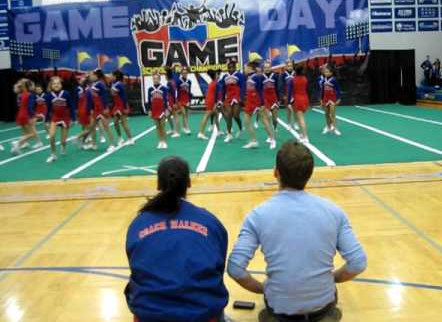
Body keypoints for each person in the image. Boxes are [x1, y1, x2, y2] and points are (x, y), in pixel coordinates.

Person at [227, 141, 367, 322]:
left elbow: (235, 269)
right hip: (322, 308)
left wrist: (264, 289)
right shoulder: (334, 211)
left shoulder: (257, 215)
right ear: (309, 174)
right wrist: (332, 278)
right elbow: (358, 263)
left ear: (276, 172)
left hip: (280, 310)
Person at [125, 156, 229, 322]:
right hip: (201, 314)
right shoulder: (209, 221)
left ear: (158, 185)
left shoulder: (137, 225)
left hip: (150, 315)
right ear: (188, 183)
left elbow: (135, 267)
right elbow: (219, 267)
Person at [45, 76, 75, 163]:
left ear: (61, 84)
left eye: (58, 83)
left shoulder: (66, 93)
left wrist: (73, 119)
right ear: (51, 85)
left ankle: (63, 146)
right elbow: (48, 109)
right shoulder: (49, 95)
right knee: (51, 136)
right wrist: (47, 120)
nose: (56, 85)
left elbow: (71, 106)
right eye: (54, 84)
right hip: (55, 117)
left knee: (63, 140)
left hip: (65, 118)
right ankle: (53, 154)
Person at [217, 59, 245, 143]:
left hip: (237, 97)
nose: (231, 69)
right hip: (228, 98)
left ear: (235, 67)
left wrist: (242, 97)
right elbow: (222, 89)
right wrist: (220, 99)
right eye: (229, 67)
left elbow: (243, 86)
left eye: (232, 67)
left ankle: (240, 128)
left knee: (236, 115)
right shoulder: (225, 77)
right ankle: (229, 134)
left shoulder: (239, 75)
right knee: (229, 115)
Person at [10, 78, 38, 155]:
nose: (33, 86)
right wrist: (34, 116)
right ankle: (17, 142)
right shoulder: (30, 95)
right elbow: (30, 107)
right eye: (31, 85)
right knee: (32, 134)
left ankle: (17, 148)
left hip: (20, 115)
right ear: (28, 86)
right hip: (26, 115)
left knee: (25, 133)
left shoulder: (20, 95)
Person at [91, 69, 116, 151]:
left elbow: (104, 96)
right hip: (96, 108)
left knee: (106, 127)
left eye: (92, 75)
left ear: (96, 75)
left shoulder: (99, 84)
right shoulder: (95, 83)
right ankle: (94, 144)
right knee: (92, 127)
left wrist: (105, 108)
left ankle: (112, 144)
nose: (91, 76)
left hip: (101, 108)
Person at [111, 70, 134, 146]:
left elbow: (124, 96)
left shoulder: (120, 84)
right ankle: (120, 138)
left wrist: (125, 107)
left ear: (116, 76)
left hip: (121, 105)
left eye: (112, 76)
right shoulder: (113, 84)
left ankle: (130, 139)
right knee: (115, 122)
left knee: (124, 123)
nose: (111, 77)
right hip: (116, 105)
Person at [197, 70, 222, 140]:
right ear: (215, 76)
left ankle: (219, 131)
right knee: (206, 116)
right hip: (211, 101)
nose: (218, 75)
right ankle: (201, 133)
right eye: (217, 74)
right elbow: (217, 95)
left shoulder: (212, 83)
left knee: (216, 115)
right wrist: (216, 103)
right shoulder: (216, 83)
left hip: (209, 100)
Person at [147, 73, 170, 149]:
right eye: (154, 78)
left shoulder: (164, 88)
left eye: (157, 78)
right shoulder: (150, 89)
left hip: (162, 109)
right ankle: (160, 141)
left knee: (162, 126)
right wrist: (149, 110)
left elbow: (166, 99)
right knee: (157, 126)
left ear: (159, 79)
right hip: (154, 109)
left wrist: (166, 109)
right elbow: (149, 101)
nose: (155, 80)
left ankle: (164, 141)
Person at [289, 65, 310, 143]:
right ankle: (301, 134)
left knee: (301, 119)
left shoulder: (292, 80)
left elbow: (290, 91)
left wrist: (289, 101)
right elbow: (307, 89)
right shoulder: (305, 79)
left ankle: (305, 136)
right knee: (299, 118)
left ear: (295, 71)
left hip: (297, 99)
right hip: (305, 98)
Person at [319, 64, 342, 136]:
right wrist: (321, 99)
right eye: (325, 72)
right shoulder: (323, 80)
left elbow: (338, 90)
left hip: (332, 98)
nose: (326, 73)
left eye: (327, 72)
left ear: (331, 73)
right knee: (326, 114)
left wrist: (339, 98)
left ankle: (335, 128)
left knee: (333, 114)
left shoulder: (334, 80)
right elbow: (322, 90)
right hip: (325, 98)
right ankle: (328, 127)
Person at [74, 75, 94, 149]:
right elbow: (90, 102)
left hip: (83, 109)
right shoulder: (88, 90)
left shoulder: (86, 89)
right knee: (90, 128)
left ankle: (83, 142)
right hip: (85, 110)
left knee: (86, 127)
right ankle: (78, 137)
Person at [176, 66, 193, 135]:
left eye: (186, 73)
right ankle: (187, 128)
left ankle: (184, 127)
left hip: (186, 99)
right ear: (181, 73)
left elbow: (189, 91)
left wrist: (190, 100)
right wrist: (176, 100)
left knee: (186, 114)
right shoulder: (178, 81)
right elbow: (176, 91)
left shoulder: (189, 81)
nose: (185, 74)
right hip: (180, 100)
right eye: (183, 73)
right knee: (183, 113)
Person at [281, 61, 297, 130]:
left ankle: (296, 123)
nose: (290, 67)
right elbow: (281, 85)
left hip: (295, 94)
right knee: (288, 110)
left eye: (291, 66)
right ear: (286, 67)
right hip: (287, 94)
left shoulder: (295, 73)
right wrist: (283, 95)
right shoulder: (283, 74)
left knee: (295, 110)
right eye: (288, 66)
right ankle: (289, 123)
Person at [166, 67, 181, 138]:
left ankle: (177, 132)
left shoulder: (170, 83)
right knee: (168, 115)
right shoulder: (170, 82)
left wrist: (175, 103)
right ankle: (172, 129)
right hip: (171, 102)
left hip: (173, 102)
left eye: (165, 75)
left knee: (176, 116)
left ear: (167, 76)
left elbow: (175, 92)